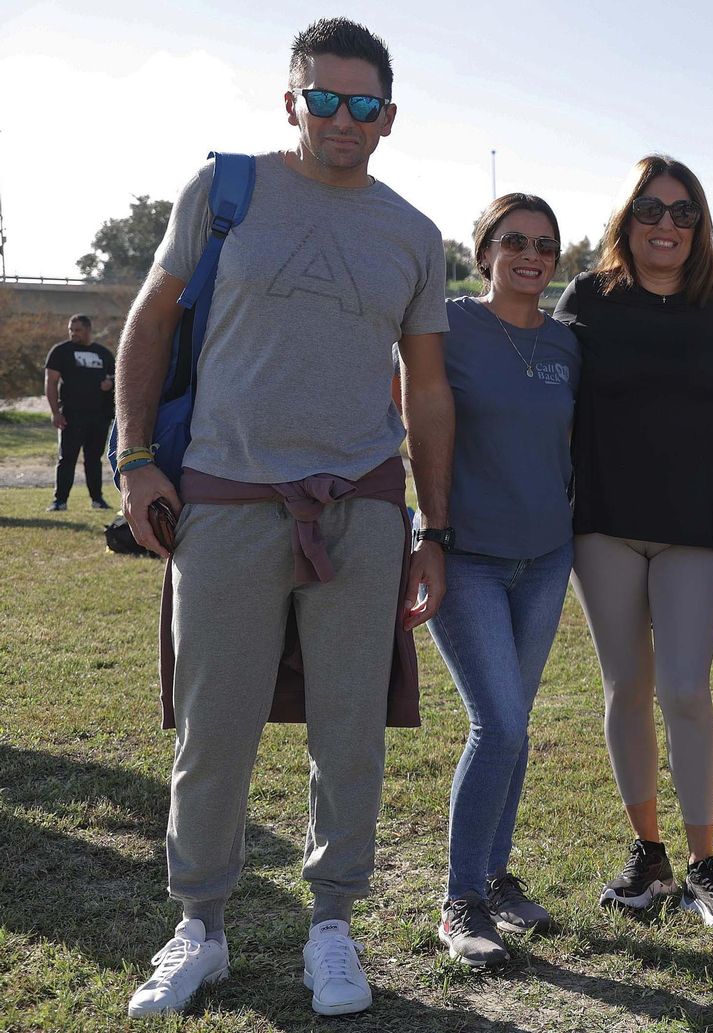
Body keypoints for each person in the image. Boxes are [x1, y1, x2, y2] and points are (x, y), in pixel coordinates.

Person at [118, 19, 453, 1016]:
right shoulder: (225, 193)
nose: (342, 119)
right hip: (224, 499)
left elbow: (427, 390)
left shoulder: (413, 234)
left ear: (388, 116)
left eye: (362, 104)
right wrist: (136, 460)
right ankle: (200, 928)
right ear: (291, 99)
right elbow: (152, 317)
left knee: (349, 733)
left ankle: (333, 927)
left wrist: (433, 524)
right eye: (324, 98)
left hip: (360, 509)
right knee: (212, 730)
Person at [555, 156, 713, 931]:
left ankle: (705, 860)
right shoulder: (587, 299)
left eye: (682, 212)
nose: (665, 224)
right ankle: (649, 852)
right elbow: (538, 379)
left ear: (700, 226)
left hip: (694, 528)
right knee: (625, 688)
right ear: (624, 219)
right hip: (603, 521)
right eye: (649, 209)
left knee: (685, 689)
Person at [430, 194, 578, 968]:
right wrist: (428, 530)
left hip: (547, 556)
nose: (532, 255)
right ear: (485, 249)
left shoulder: (566, 343)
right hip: (467, 555)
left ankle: (494, 872)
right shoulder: (447, 325)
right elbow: (412, 421)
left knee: (514, 724)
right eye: (515, 240)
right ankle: (461, 901)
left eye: (546, 244)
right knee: (500, 724)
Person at [44, 314, 115, 511]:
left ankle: (97, 499)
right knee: (67, 458)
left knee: (94, 459)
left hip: (99, 415)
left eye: (78, 330)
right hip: (71, 415)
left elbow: (118, 378)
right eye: (71, 330)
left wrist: (111, 384)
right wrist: (55, 412)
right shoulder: (61, 351)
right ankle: (60, 501)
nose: (73, 333)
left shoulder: (103, 354)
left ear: (88, 330)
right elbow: (51, 382)